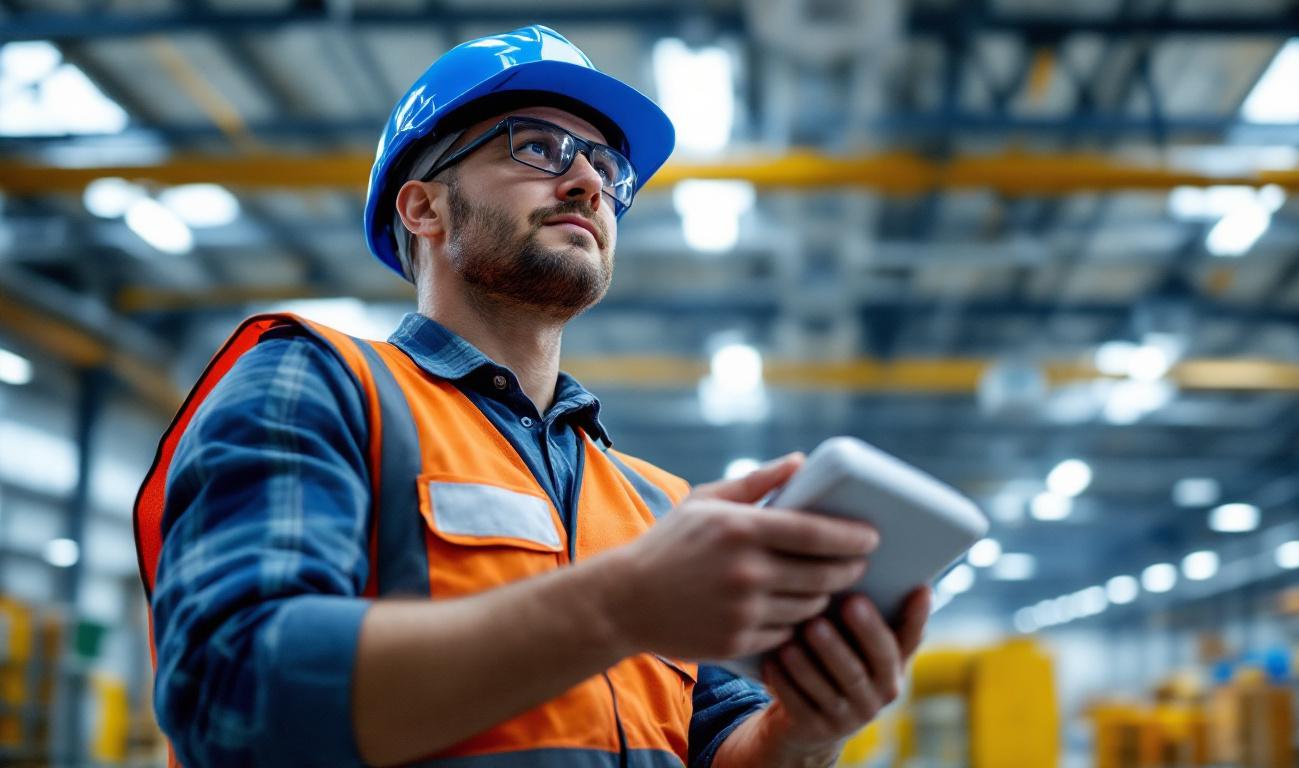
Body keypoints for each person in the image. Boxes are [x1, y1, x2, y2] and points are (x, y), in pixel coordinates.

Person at [134, 25, 932, 768]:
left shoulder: (656, 503)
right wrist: (621, 605)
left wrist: (806, 727)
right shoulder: (320, 387)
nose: (589, 181)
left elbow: (718, 740)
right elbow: (230, 696)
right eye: (539, 147)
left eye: (604, 166)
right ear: (426, 207)